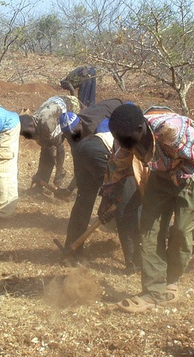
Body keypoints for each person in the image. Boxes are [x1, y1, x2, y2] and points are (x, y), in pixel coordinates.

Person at [98, 104, 194, 313]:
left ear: (140, 128)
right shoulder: (124, 139)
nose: (123, 145)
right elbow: (117, 169)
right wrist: (107, 198)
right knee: (149, 229)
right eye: (119, 139)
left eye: (126, 139)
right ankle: (153, 292)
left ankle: (173, 278)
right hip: (163, 172)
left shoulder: (171, 131)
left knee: (181, 229)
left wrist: (180, 187)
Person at [59, 113, 141, 273]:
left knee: (84, 200)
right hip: (101, 150)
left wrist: (106, 202)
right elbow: (116, 178)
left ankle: (72, 251)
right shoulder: (141, 140)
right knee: (128, 207)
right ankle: (135, 262)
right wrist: (110, 201)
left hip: (85, 148)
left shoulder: (119, 129)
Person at [23, 95, 81, 191]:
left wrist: (59, 171)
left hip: (71, 107)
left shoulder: (48, 126)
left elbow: (59, 148)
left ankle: (77, 185)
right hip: (56, 107)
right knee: (47, 147)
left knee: (71, 145)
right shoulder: (35, 119)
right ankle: (41, 181)